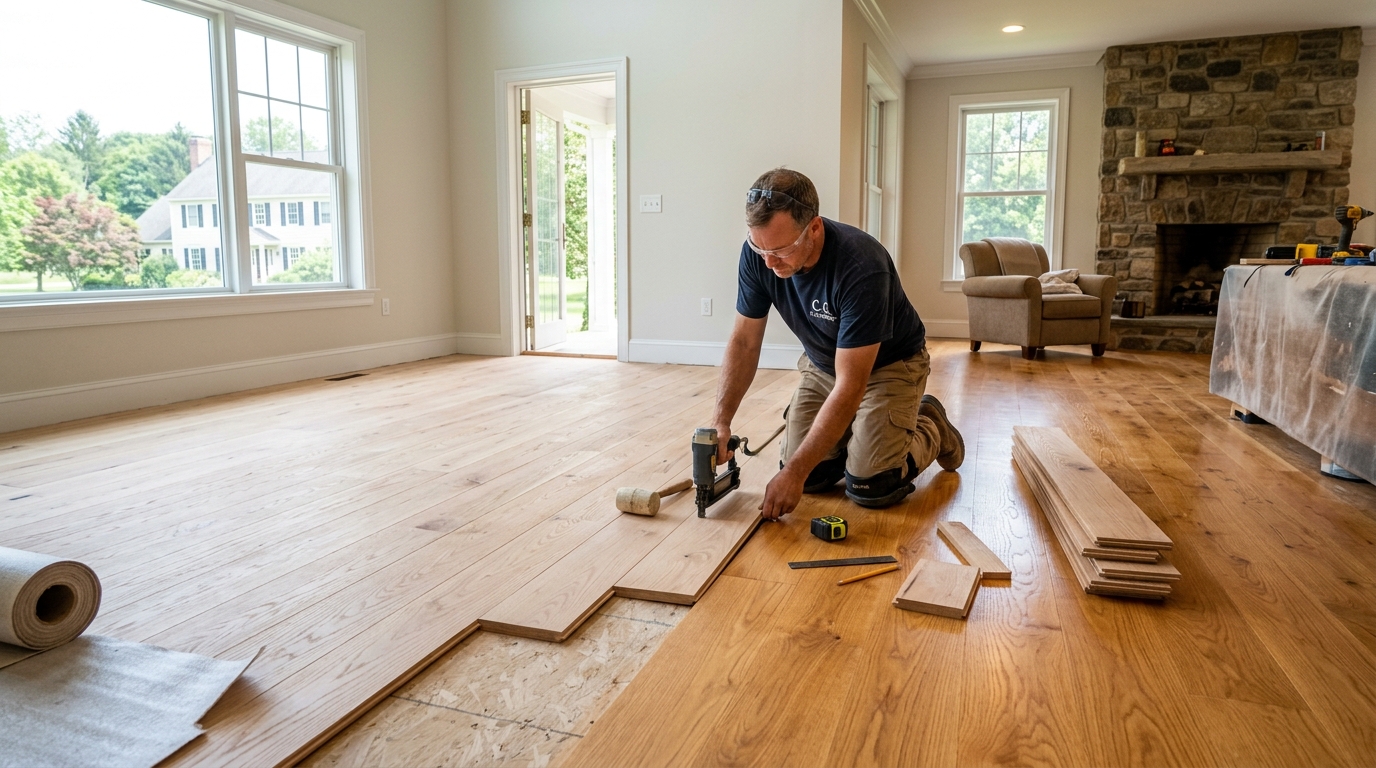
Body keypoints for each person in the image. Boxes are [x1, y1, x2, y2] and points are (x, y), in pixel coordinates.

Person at [712, 167, 964, 520]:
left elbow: (851, 384)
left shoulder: (862, 266)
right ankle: (860, 437)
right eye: (759, 246)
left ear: (814, 227)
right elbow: (744, 343)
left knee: (871, 484)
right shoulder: (760, 255)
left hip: (888, 366)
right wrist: (721, 421)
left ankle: (930, 424)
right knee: (813, 476)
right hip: (822, 363)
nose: (768, 262)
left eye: (781, 250)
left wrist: (793, 474)